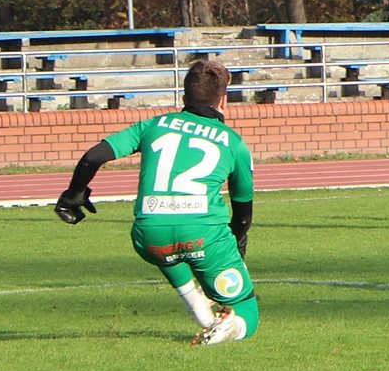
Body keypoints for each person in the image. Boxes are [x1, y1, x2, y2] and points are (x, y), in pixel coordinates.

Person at [54, 60, 258, 345]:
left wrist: (74, 195)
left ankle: (205, 316)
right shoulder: (233, 142)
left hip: (149, 235)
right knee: (248, 313)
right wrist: (236, 241)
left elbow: (93, 157)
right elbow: (243, 209)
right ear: (223, 100)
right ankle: (229, 326)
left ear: (184, 98)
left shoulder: (154, 125)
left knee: (168, 250)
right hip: (203, 235)